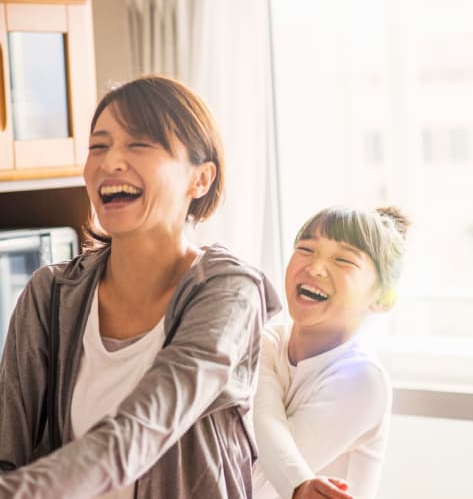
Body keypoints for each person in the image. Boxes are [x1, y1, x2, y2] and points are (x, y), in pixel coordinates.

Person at [0, 75, 281, 498]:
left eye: (139, 144)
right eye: (98, 146)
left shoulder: (229, 290)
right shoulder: (51, 293)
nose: (109, 162)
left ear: (200, 179)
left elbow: (140, 431)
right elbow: (7, 447)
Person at [252, 205, 410, 499]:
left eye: (343, 260)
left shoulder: (362, 380)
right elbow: (263, 415)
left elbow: (254, 483)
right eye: (306, 249)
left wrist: (296, 482)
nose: (314, 268)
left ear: (382, 300)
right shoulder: (268, 340)